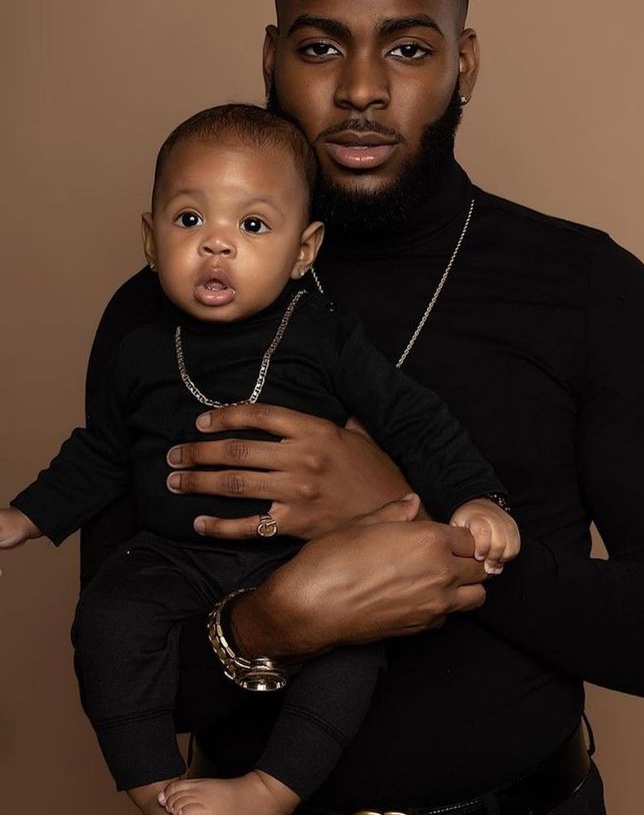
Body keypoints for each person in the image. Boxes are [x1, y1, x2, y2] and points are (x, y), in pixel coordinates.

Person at [76, 0, 644, 814]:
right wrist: (274, 623)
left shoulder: (590, 288)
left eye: (408, 49)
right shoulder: (159, 320)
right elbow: (119, 661)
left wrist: (417, 529)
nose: (360, 89)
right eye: (319, 48)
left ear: (463, 65)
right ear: (270, 59)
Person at [0, 102, 517, 815]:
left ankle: (271, 788)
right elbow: (102, 453)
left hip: (302, 558)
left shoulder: (324, 334)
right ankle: (152, 784)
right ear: (150, 239)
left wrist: (477, 498)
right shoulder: (142, 347)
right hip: (172, 558)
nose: (217, 246)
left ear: (303, 251)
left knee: (349, 650)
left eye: (251, 226)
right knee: (108, 620)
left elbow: (413, 418)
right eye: (189, 221)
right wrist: (23, 517)